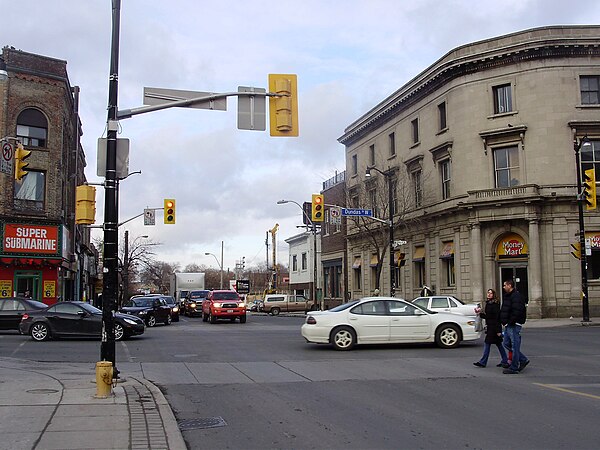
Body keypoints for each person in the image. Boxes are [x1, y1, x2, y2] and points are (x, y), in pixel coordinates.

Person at [473, 289, 509, 368]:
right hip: (491, 327)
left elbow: (496, 318)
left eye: (491, 293)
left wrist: (498, 330)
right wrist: (480, 313)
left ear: (494, 295)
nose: (489, 294)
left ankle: (483, 362)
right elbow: (488, 316)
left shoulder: (494, 304)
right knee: (499, 344)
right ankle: (505, 360)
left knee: (487, 343)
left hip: (493, 328)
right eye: (488, 293)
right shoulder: (489, 303)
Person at [500, 279, 530, 374]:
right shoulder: (509, 296)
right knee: (506, 343)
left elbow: (516, 311)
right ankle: (523, 359)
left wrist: (510, 321)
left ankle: (514, 367)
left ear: (509, 285)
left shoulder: (516, 296)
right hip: (509, 324)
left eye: (505, 285)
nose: (504, 287)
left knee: (514, 346)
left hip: (514, 324)